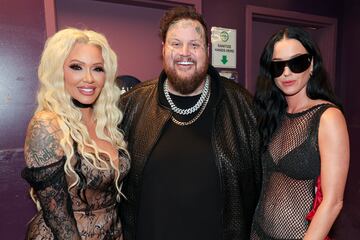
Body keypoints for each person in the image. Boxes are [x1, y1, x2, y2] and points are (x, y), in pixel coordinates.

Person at [119, 6, 261, 240]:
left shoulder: (243, 107)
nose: (185, 53)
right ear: (163, 49)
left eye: (194, 45)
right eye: (176, 44)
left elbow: (264, 187)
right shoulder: (131, 106)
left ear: (207, 50)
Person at [21, 28, 130, 240]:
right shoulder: (47, 125)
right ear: (57, 71)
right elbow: (57, 217)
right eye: (76, 67)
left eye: (97, 69)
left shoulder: (108, 122)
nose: (89, 78)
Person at [250, 27, 350, 240]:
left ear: (312, 64)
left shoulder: (327, 118)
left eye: (297, 63)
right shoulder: (271, 116)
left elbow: (333, 202)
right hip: (257, 233)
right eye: (278, 66)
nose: (287, 73)